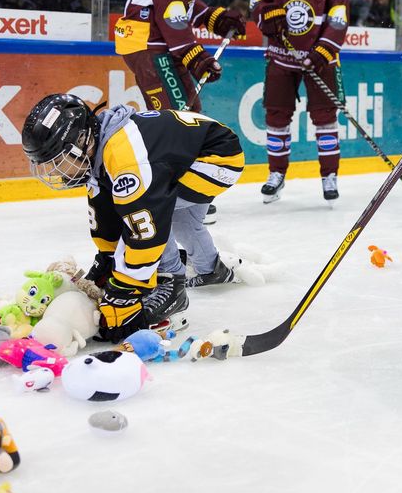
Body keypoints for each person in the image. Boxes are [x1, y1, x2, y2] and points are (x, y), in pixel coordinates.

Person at [20, 94, 245, 343]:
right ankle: (211, 268)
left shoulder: (126, 156)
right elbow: (102, 210)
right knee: (180, 221)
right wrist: (107, 258)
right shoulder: (100, 148)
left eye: (58, 160)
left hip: (217, 159)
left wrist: (127, 288)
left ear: (82, 141)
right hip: (191, 153)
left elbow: (146, 224)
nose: (53, 171)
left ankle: (170, 282)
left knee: (148, 210)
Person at [113, 0, 244, 228]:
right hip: (149, 46)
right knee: (177, 119)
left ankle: (180, 190)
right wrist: (196, 57)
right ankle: (168, 196)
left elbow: (182, 5)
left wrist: (215, 19)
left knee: (189, 113)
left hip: (153, 43)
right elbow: (172, 18)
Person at [249, 0, 349, 203]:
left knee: (325, 117)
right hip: (281, 55)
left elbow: (339, 18)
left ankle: (329, 174)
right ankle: (276, 173)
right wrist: (268, 17)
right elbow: (256, 3)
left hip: (320, 59)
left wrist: (322, 50)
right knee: (276, 116)